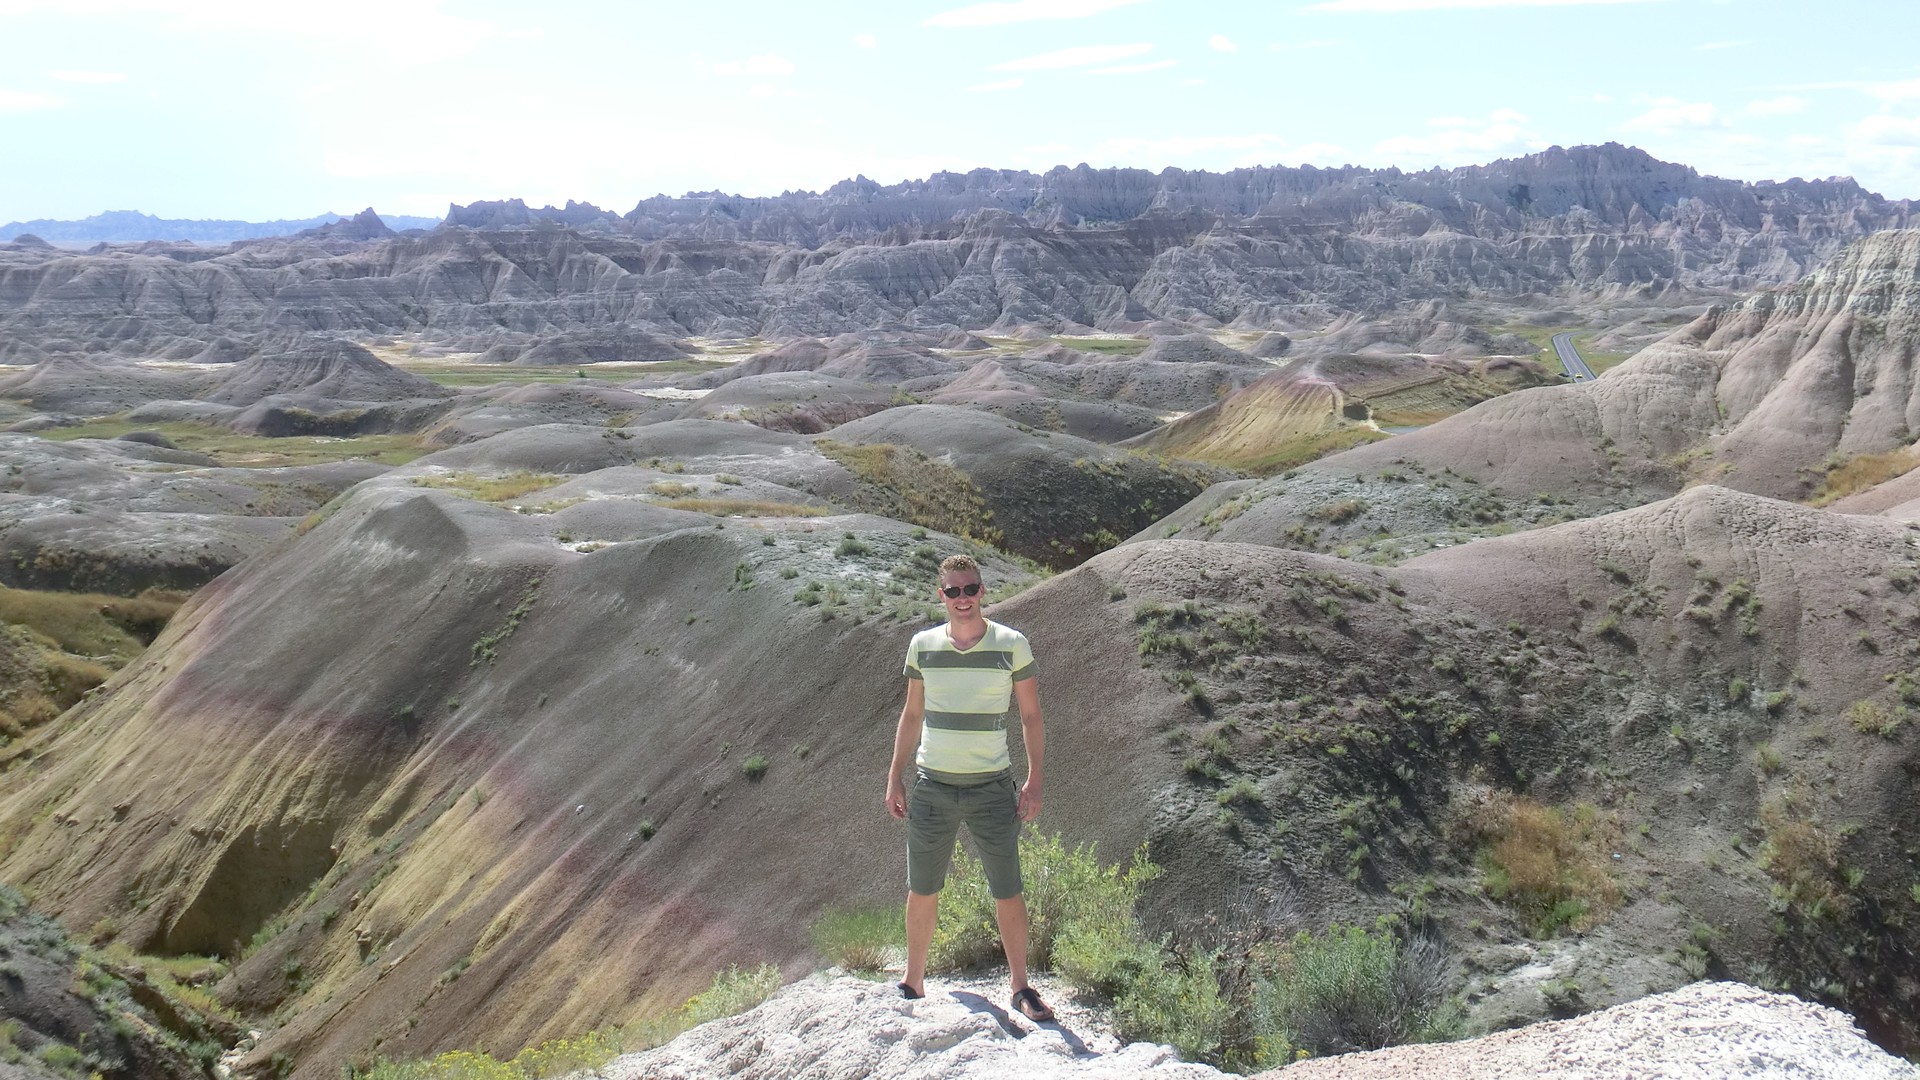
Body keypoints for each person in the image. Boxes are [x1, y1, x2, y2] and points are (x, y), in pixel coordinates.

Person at [884, 553, 1053, 1023]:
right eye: (953, 591)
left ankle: (1020, 986)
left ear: (982, 591)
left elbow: (1031, 716)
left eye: (970, 588)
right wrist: (895, 774)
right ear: (941, 596)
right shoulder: (922, 646)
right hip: (932, 785)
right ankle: (913, 982)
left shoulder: (1012, 645)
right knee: (922, 887)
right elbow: (912, 714)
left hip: (992, 787)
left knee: (1008, 888)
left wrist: (1036, 778)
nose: (963, 598)